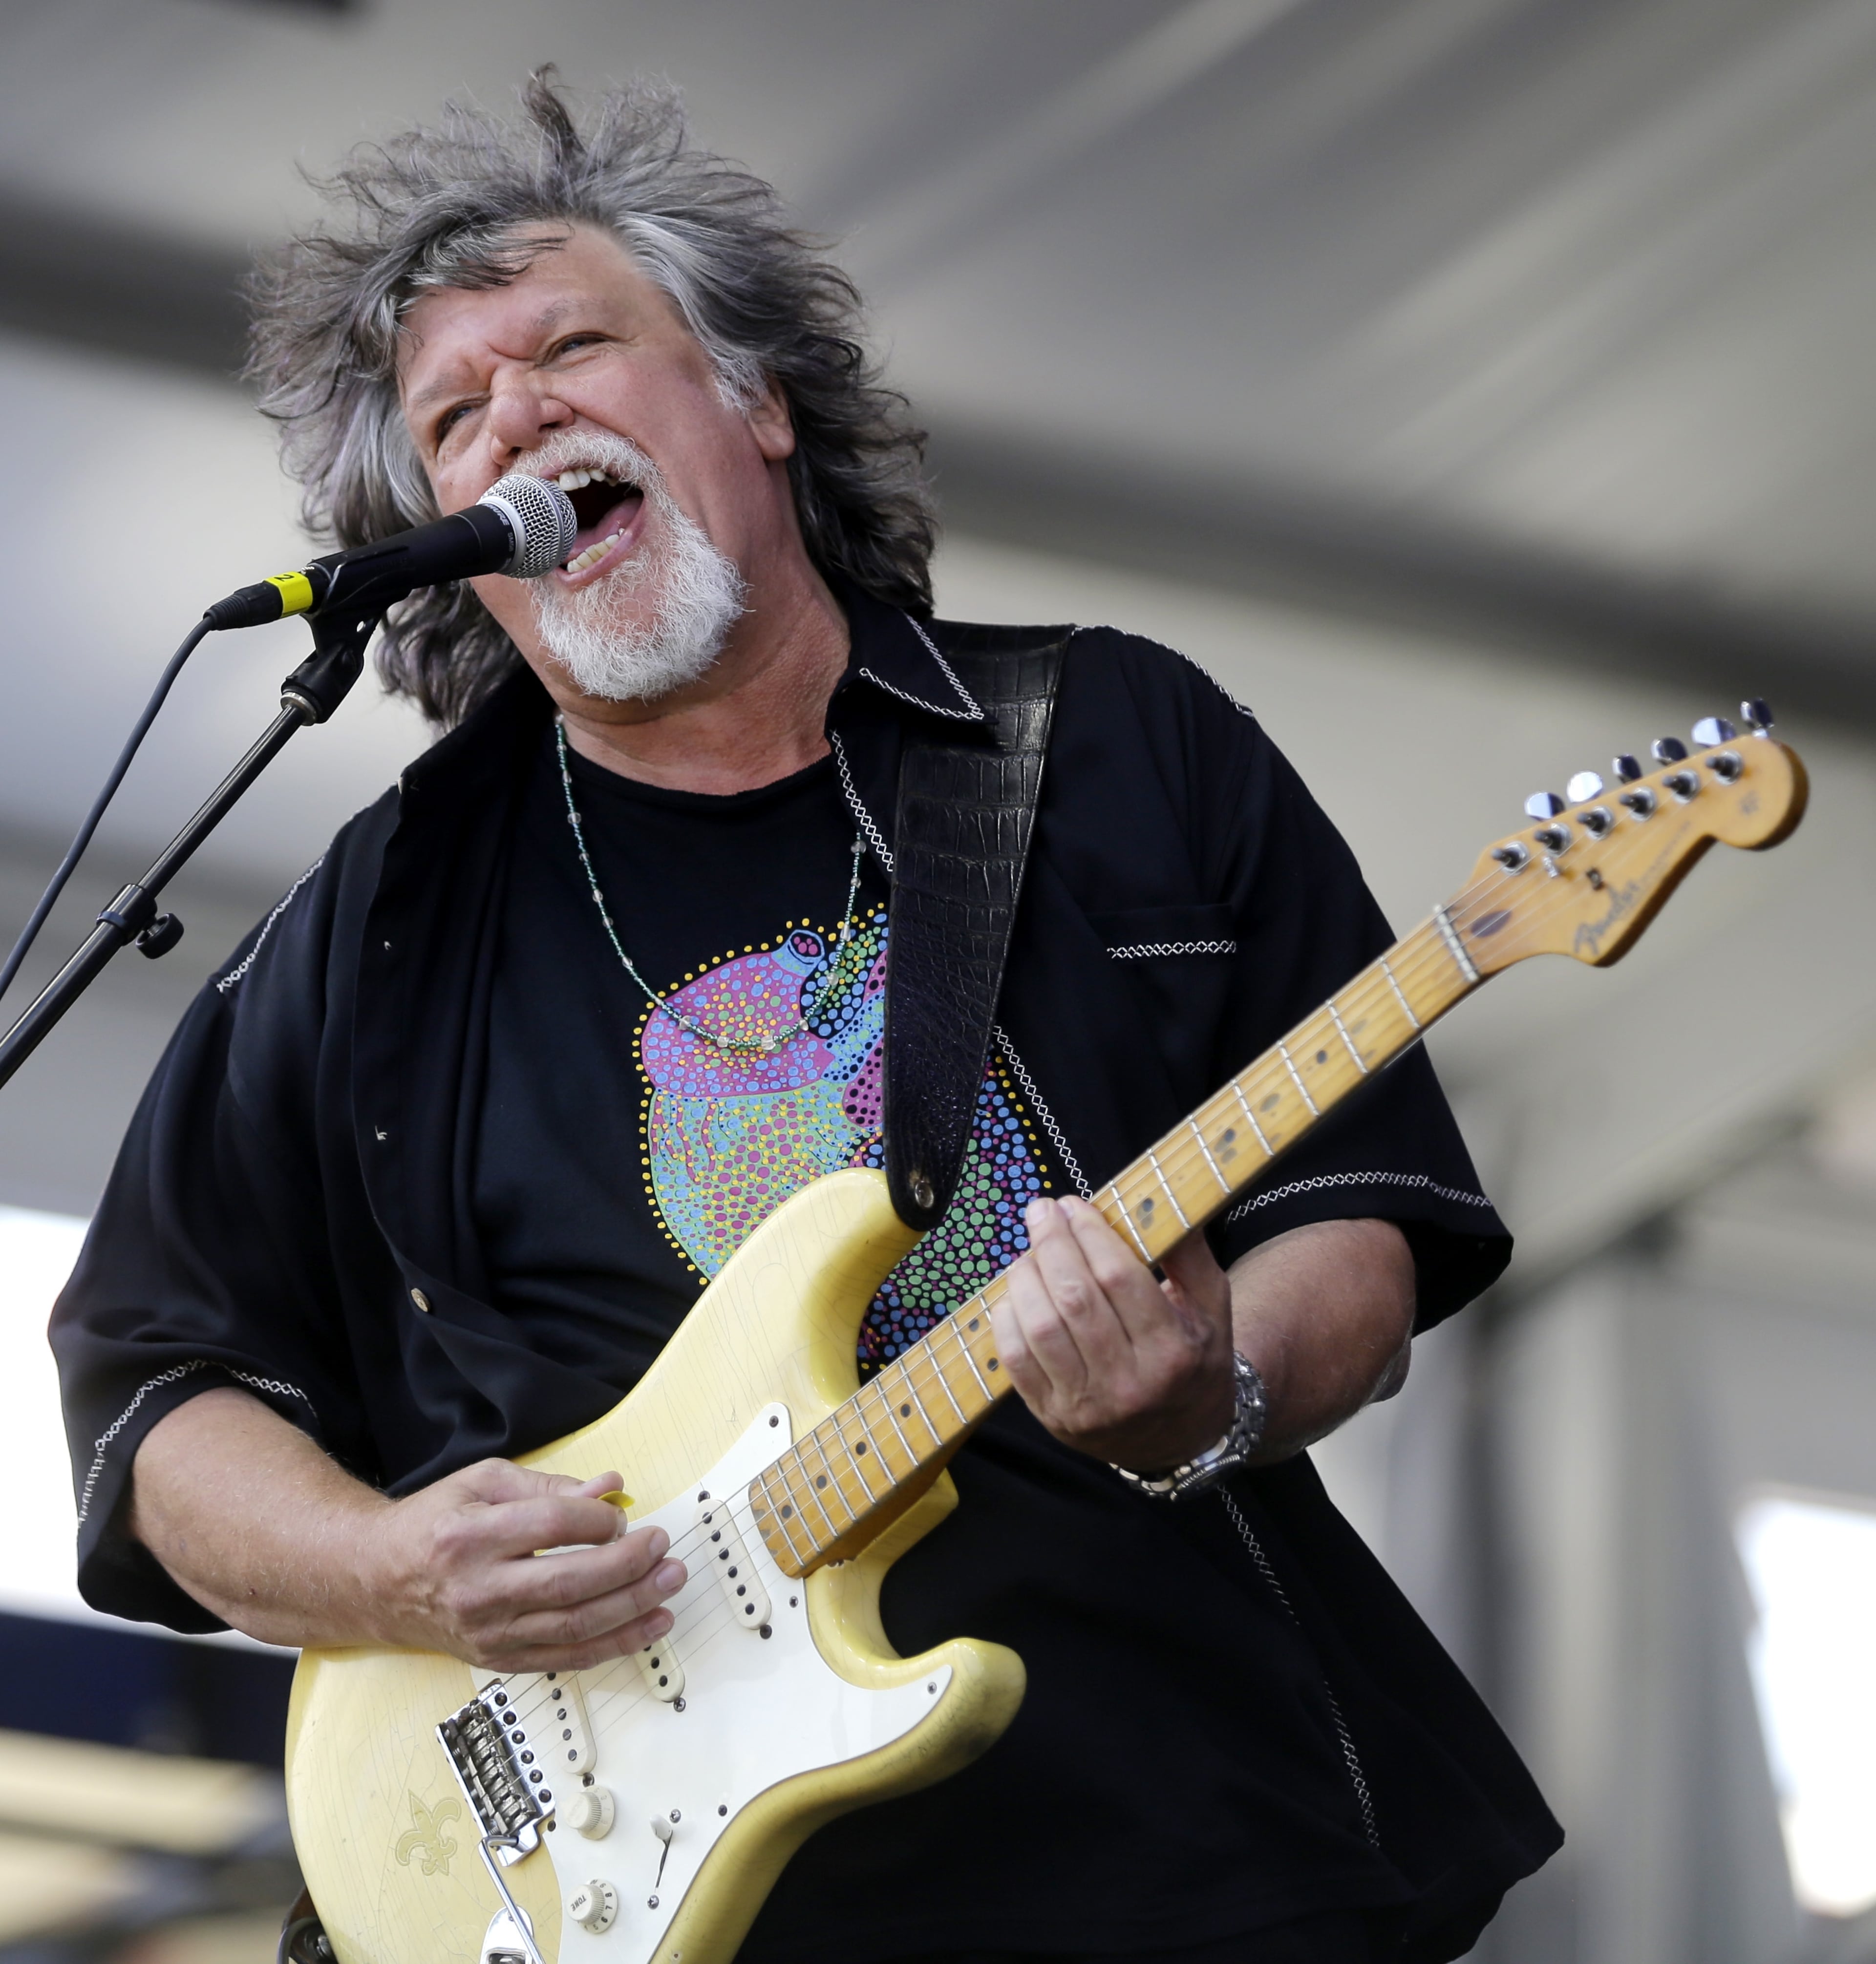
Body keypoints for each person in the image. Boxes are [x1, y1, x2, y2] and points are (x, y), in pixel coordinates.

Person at [52, 76, 1558, 1964]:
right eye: (456, 417)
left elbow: (1355, 1207)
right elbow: (160, 1383)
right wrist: (395, 1572)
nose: (516, 414)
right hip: (602, 1878)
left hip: (1170, 1859)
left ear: (759, 406)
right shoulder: (377, 920)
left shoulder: (1111, 746)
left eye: (575, 347)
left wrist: (1204, 1392)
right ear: (445, 537)